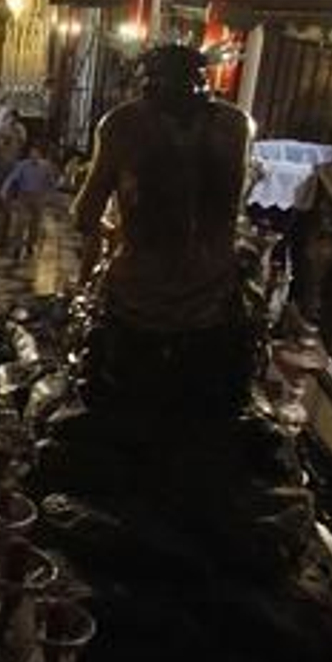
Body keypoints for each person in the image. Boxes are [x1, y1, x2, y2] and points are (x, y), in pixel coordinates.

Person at [71, 43, 257, 414]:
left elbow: (84, 216)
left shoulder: (123, 124)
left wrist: (116, 227)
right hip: (214, 298)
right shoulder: (236, 126)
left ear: (147, 84)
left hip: (140, 298)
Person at [0, 141, 58, 260]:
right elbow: (12, 178)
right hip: (24, 196)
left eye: (36, 153)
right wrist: (4, 190)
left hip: (38, 196)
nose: (34, 155)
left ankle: (31, 244)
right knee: (20, 222)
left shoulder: (46, 166)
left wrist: (49, 196)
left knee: (35, 224)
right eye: (32, 153)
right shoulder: (22, 165)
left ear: (40, 155)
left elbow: (51, 183)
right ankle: (17, 247)